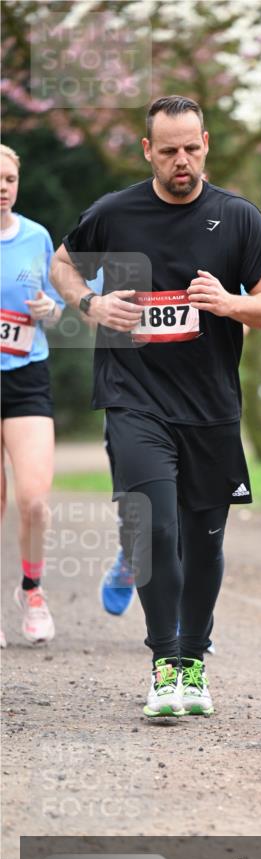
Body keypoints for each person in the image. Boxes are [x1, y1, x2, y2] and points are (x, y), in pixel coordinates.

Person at [50, 95, 261, 718]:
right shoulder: (115, 212)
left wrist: (231, 304)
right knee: (154, 529)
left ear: (206, 143)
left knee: (203, 539)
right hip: (134, 399)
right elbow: (62, 265)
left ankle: (193, 659)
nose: (180, 161)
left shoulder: (239, 219)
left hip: (210, 406)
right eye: (167, 151)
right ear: (146, 151)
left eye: (190, 148)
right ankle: (165, 663)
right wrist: (91, 307)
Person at [1, 144, 63, 647]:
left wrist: (48, 308)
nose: (3, 186)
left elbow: (58, 305)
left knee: (34, 500)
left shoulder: (37, 237)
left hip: (26, 375)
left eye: (9, 179)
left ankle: (32, 588)